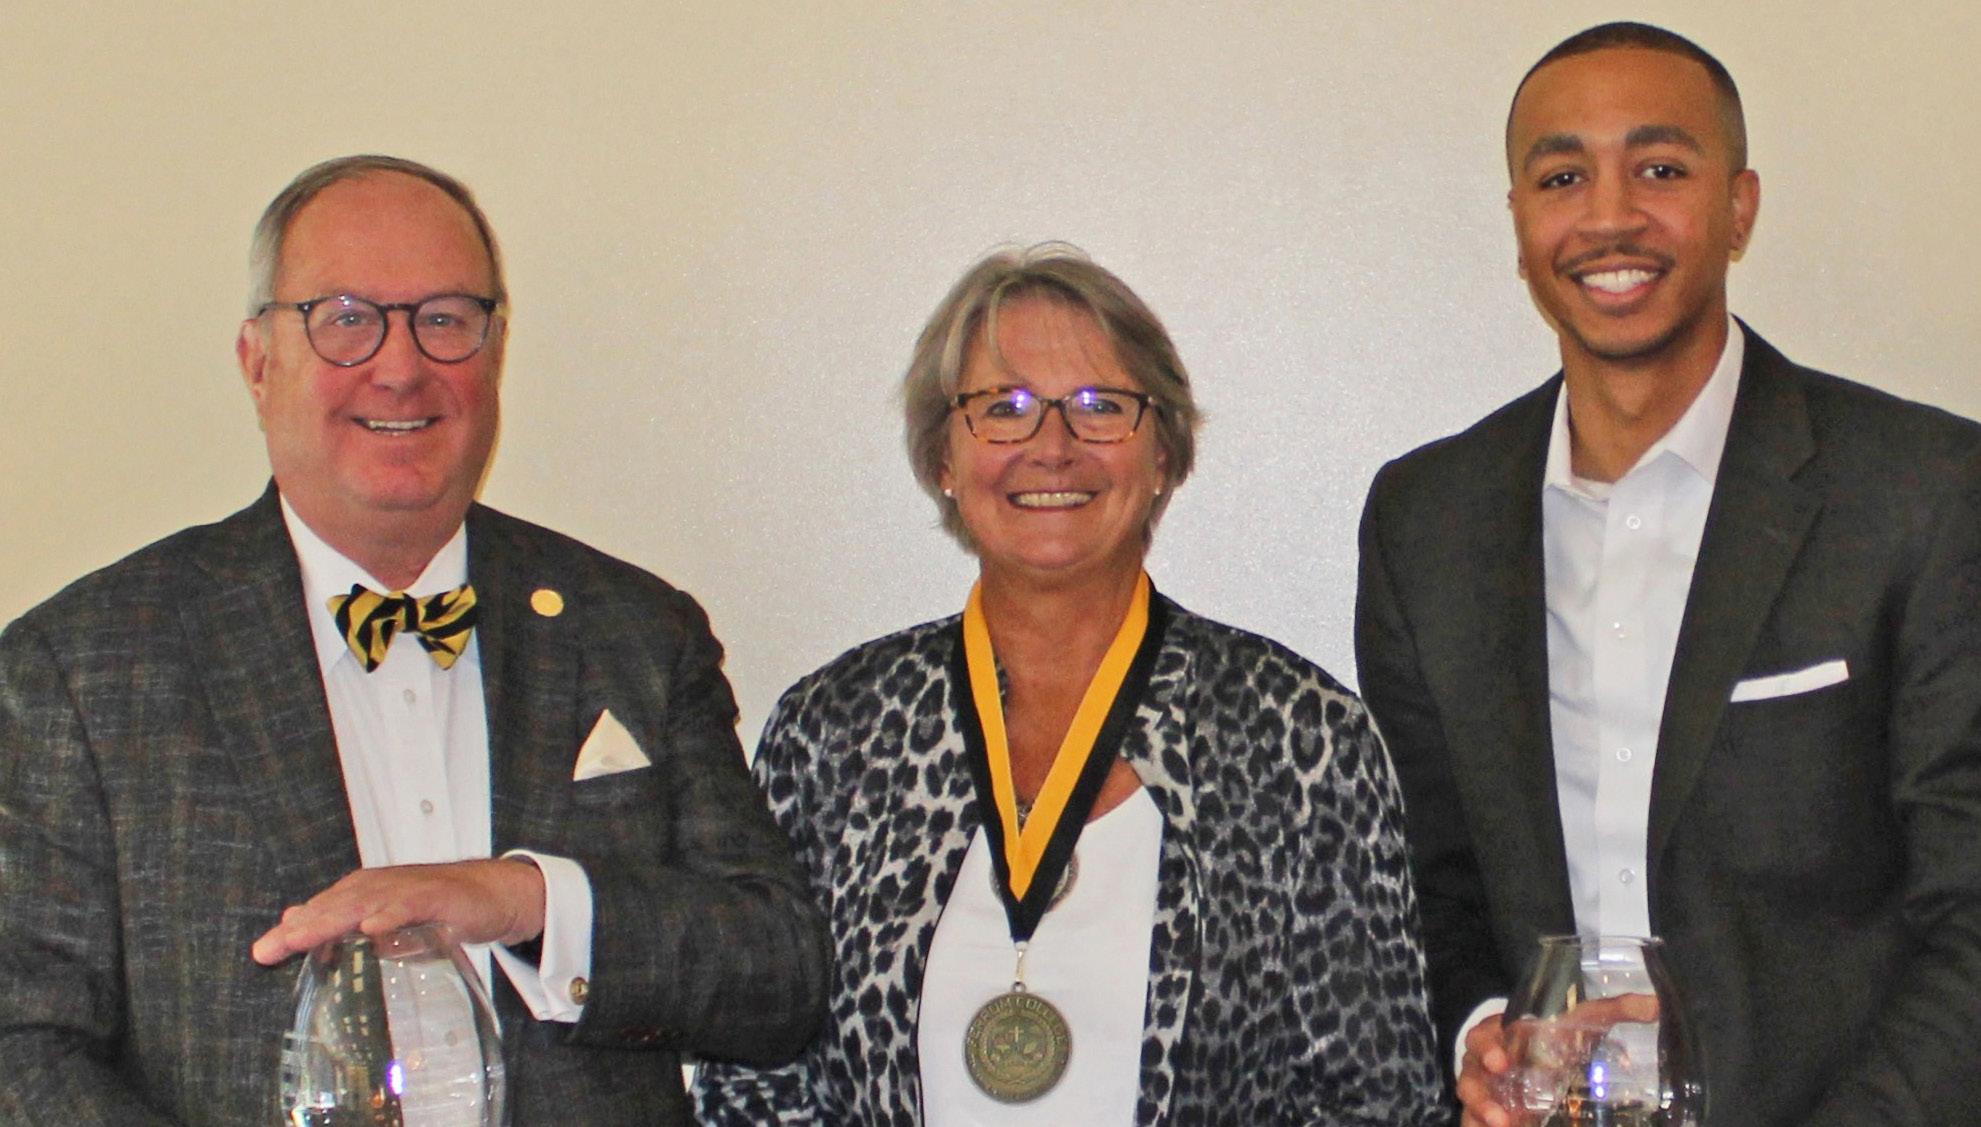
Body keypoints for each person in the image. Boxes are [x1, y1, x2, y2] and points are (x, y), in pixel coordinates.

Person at [0, 155, 827, 1125]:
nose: (400, 366)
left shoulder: (635, 631)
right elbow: (22, 1043)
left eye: (443, 318)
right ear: (258, 362)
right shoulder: (81, 669)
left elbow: (779, 975)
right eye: (345, 318)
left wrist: (529, 901)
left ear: (495, 352)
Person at [1354, 21, 1981, 1127]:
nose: (1608, 216)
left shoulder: (1922, 493)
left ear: (1738, 207)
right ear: (1519, 221)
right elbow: (1432, 882)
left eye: (1658, 168)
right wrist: (1482, 1034)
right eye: (1561, 177)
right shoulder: (1425, 522)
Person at [693, 244, 1442, 1124]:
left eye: (1100, 406)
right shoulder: (833, 731)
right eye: (1002, 408)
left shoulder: (1298, 734)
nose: (1051, 447)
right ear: (943, 457)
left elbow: (1376, 1099)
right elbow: (754, 1077)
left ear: (1161, 454)